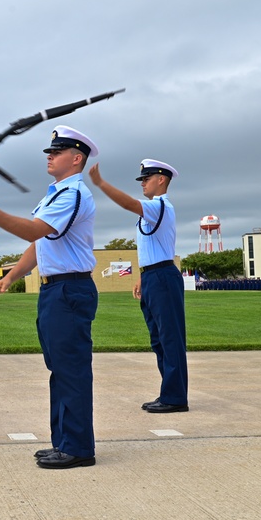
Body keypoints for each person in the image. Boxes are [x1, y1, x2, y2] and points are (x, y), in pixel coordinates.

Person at [0, 125, 98, 469]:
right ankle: (64, 441)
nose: (50, 156)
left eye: (57, 152)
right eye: (50, 152)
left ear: (76, 157)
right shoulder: (54, 194)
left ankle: (79, 448)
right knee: (60, 369)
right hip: (56, 289)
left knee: (71, 370)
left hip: (69, 289)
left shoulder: (72, 194)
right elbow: (39, 245)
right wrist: (8, 279)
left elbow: (35, 230)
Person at [89, 159, 188, 413]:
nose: (142, 182)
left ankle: (175, 397)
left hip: (163, 276)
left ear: (161, 180)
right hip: (154, 275)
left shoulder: (159, 206)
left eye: (147, 178)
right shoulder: (155, 209)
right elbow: (152, 248)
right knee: (158, 339)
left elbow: (128, 204)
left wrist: (101, 183)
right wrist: (143, 276)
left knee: (170, 338)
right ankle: (168, 392)